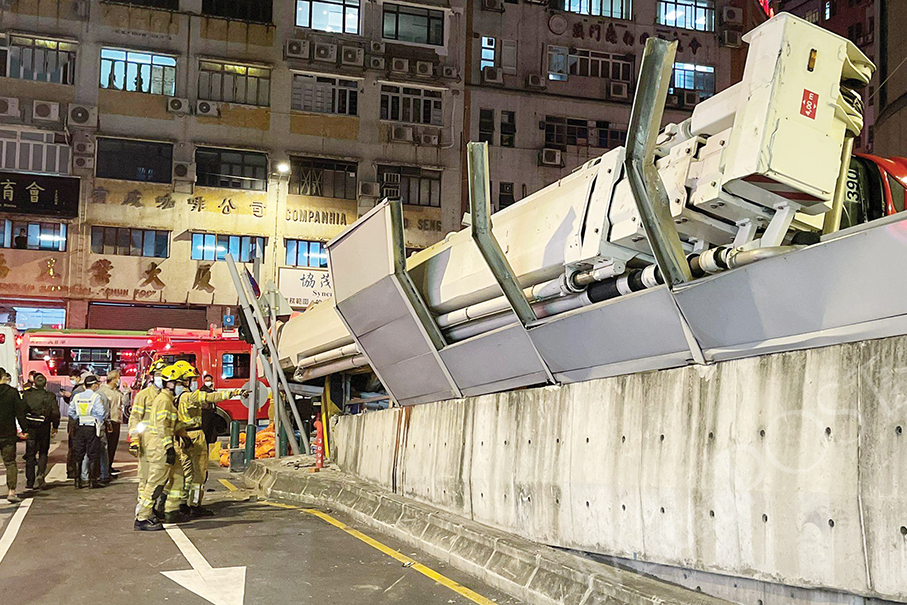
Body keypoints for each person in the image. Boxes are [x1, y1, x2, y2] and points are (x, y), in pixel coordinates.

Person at [171, 361, 243, 518]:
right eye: (193, 379)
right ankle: (195, 505)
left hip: (181, 437)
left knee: (187, 473)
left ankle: (183, 504)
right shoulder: (190, 397)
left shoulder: (175, 398)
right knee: (199, 474)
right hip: (195, 436)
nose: (196, 382)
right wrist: (234, 392)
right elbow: (211, 397)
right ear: (186, 381)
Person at [134, 364, 181, 530]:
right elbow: (161, 425)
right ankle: (143, 516)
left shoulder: (166, 399)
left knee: (158, 482)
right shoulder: (155, 399)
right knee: (151, 482)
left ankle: (148, 513)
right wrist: (168, 447)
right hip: (155, 445)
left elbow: (170, 425)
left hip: (157, 443)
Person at [128, 360, 166, 501]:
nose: (160, 377)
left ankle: (159, 509)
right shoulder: (143, 395)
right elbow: (135, 418)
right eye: (158, 374)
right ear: (152, 376)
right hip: (147, 443)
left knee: (164, 477)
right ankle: (143, 511)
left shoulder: (169, 396)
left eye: (163, 375)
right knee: (146, 478)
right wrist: (135, 440)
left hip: (165, 443)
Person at [67, 375, 107, 489]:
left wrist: (79, 417)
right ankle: (92, 481)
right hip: (91, 427)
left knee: (78, 454)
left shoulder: (77, 396)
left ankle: (77, 481)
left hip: (80, 426)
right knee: (92, 454)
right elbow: (101, 413)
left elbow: (71, 411)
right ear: (94, 385)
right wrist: (97, 420)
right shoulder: (95, 397)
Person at [21, 373, 60, 490]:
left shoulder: (27, 395)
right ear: (45, 384)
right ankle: (41, 474)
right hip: (44, 426)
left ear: (34, 383)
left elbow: (22, 411)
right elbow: (55, 413)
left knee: (30, 454)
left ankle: (29, 480)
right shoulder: (50, 396)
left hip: (31, 427)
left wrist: (24, 428)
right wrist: (55, 426)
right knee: (43, 452)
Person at [0, 368, 25, 503]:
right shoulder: (12, 392)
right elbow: (19, 412)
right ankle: (11, 492)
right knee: (10, 463)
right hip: (8, 433)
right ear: (3, 377)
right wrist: (24, 428)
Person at [99, 370, 123, 475]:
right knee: (106, 447)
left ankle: (109, 466)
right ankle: (104, 469)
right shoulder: (104, 391)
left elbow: (123, 402)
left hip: (116, 420)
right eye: (118, 378)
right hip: (108, 421)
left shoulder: (117, 391)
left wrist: (126, 391)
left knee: (113, 446)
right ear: (113, 379)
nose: (119, 380)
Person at [63, 370, 83, 479]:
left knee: (73, 447)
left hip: (74, 423)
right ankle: (73, 470)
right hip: (75, 423)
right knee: (74, 448)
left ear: (78, 377)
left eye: (72, 378)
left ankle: (72, 470)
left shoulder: (77, 390)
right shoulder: (79, 390)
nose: (71, 380)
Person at [199, 374, 219, 445]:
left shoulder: (211, 389)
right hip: (206, 412)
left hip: (211, 412)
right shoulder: (203, 389)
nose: (208, 382)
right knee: (206, 430)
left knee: (211, 430)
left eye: (209, 380)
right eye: (207, 380)